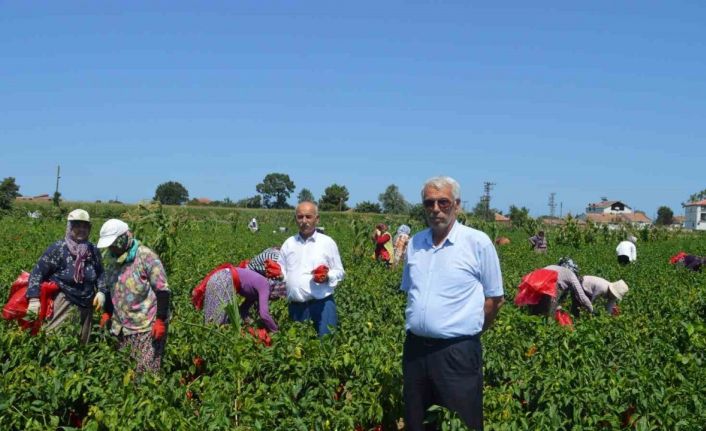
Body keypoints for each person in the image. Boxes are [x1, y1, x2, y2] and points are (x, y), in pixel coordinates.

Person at [400, 176, 504, 430]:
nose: (435, 209)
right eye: (429, 203)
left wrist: (470, 332)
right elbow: (409, 290)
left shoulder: (477, 243)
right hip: (415, 351)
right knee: (417, 420)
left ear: (456, 205)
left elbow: (495, 299)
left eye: (443, 202)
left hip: (456, 352)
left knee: (461, 420)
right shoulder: (415, 243)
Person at [94, 219, 171, 373]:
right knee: (125, 372)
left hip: (146, 327)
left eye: (114, 244)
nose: (112, 248)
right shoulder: (111, 259)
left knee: (145, 375)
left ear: (124, 238)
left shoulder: (146, 256)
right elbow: (111, 289)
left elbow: (163, 290)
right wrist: (107, 313)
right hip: (121, 327)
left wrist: (161, 320)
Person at [26, 209, 105, 344]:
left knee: (81, 342)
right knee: (54, 339)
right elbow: (37, 272)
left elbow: (100, 273)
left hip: (86, 303)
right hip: (64, 300)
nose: (81, 229)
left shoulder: (92, 250)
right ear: (70, 227)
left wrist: (102, 291)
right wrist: (34, 298)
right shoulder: (58, 248)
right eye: (77, 225)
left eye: (85, 226)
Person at [278, 201, 345, 337]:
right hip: (296, 306)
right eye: (300, 217)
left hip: (322, 304)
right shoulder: (288, 243)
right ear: (295, 219)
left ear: (317, 219)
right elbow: (282, 270)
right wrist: (278, 274)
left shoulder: (327, 242)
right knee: (298, 350)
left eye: (308, 216)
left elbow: (340, 272)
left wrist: (327, 276)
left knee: (326, 345)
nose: (304, 221)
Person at [191, 261, 279, 332]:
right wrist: (276, 330)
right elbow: (264, 314)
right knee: (217, 324)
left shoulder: (256, 292)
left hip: (220, 276)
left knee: (212, 320)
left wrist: (250, 323)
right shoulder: (265, 286)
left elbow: (243, 310)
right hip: (224, 279)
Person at [516, 257, 594, 318]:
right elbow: (581, 296)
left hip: (535, 281)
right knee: (549, 315)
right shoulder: (571, 274)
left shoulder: (552, 266)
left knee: (534, 310)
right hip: (550, 285)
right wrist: (591, 310)